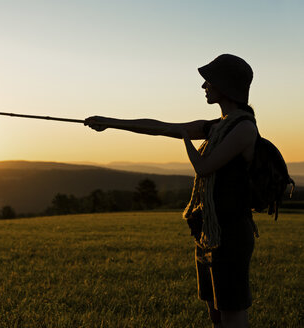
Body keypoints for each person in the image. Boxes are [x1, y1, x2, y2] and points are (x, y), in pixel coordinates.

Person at [84, 54, 257, 328]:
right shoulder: (217, 126)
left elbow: (204, 166)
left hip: (232, 233)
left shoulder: (245, 128)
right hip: (208, 231)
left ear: (224, 86)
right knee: (215, 312)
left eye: (209, 81)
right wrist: (111, 122)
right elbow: (160, 128)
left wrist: (186, 138)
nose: (204, 86)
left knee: (232, 313)